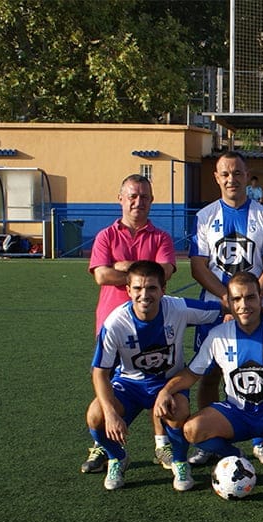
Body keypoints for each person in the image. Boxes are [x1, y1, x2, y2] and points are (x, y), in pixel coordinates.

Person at [154, 272, 263, 495]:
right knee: (193, 430)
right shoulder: (218, 335)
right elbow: (192, 374)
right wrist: (166, 390)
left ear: (261, 298)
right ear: (229, 303)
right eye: (237, 299)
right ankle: (235, 457)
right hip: (237, 413)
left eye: (250, 297)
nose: (244, 305)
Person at [85, 260, 222, 491]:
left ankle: (179, 462)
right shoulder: (115, 323)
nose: (144, 295)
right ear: (128, 290)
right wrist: (110, 413)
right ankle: (117, 457)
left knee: (177, 408)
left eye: (151, 288)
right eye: (137, 288)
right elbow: (100, 372)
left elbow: (228, 308)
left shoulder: (178, 308)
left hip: (169, 382)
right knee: (96, 415)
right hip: (129, 384)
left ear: (163, 289)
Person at [189, 151, 263, 467]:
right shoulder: (204, 217)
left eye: (238, 173)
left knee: (261, 369)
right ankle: (208, 441)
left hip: (254, 310)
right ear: (217, 178)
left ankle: (261, 439)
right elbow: (198, 267)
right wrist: (227, 300)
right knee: (209, 373)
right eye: (225, 174)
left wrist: (249, 300)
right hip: (214, 308)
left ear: (247, 175)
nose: (232, 179)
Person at [82, 174, 177, 475]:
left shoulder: (160, 237)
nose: (138, 202)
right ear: (120, 198)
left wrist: (123, 269)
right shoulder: (106, 236)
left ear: (151, 201)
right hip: (113, 323)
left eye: (144, 197)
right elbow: (101, 275)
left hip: (152, 322)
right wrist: (142, 277)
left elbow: (164, 274)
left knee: (156, 378)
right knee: (107, 382)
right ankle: (106, 445)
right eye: (132, 196)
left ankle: (161, 444)